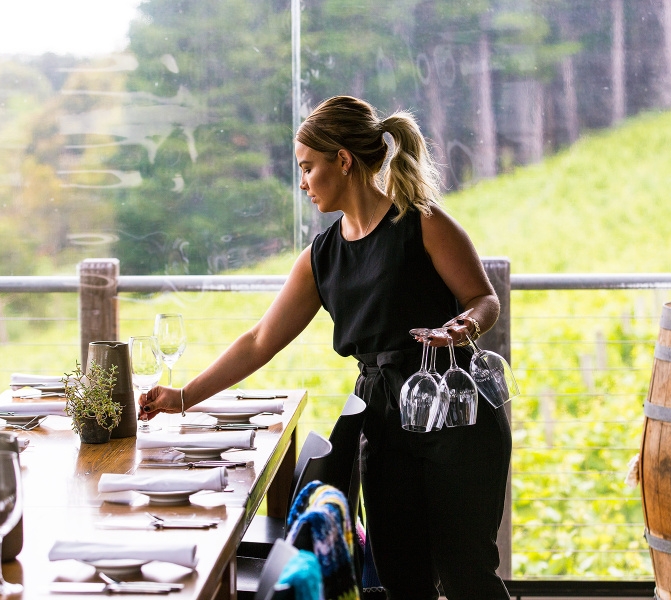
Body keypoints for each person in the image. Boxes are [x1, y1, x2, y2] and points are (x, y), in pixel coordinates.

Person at [140, 95, 512, 600]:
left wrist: (462, 328)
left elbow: (482, 298)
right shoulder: (320, 257)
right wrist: (182, 396)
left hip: (456, 411)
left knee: (468, 574)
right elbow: (259, 341)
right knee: (402, 579)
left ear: (343, 160)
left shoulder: (423, 224)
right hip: (380, 417)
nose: (302, 183)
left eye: (308, 168)